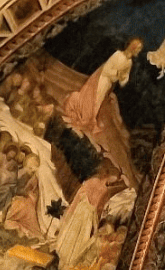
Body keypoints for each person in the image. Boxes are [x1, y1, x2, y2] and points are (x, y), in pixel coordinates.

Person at [62, 38, 142, 189]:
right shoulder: (118, 55)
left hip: (108, 84)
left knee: (98, 103)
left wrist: (121, 77)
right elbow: (108, 70)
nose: (135, 49)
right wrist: (116, 75)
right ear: (130, 45)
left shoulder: (129, 63)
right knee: (93, 100)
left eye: (137, 48)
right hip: (102, 79)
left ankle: (90, 118)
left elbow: (124, 79)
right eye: (135, 46)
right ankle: (85, 117)